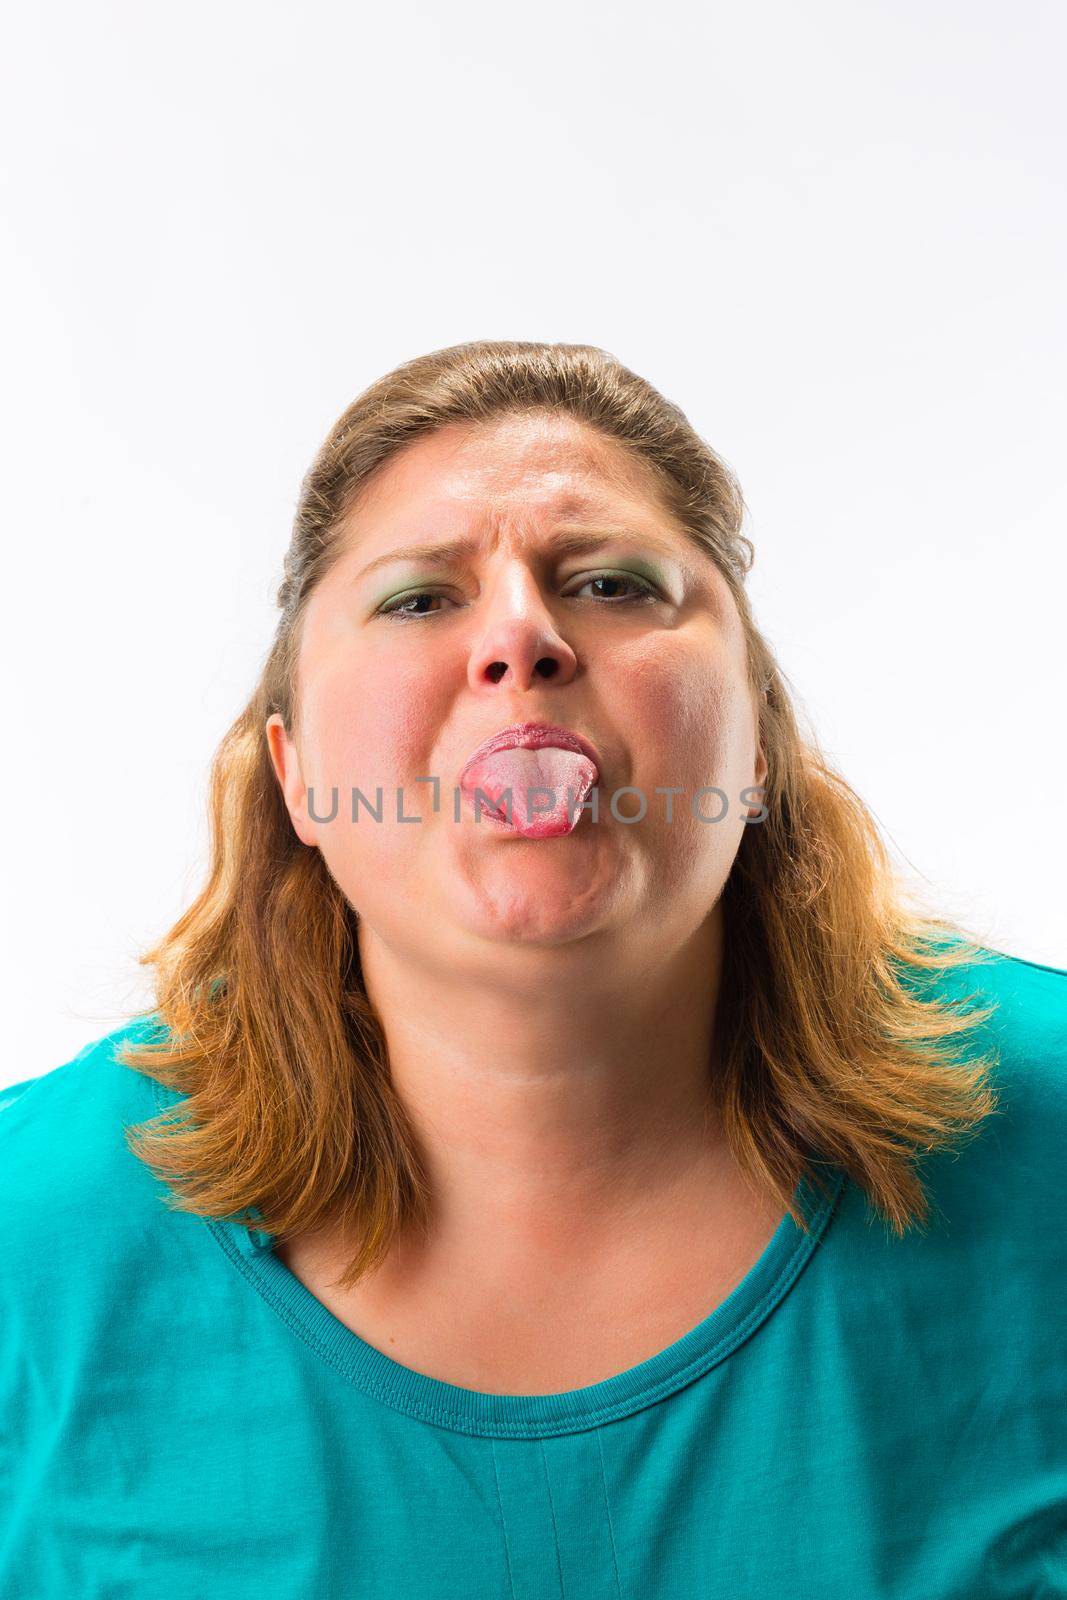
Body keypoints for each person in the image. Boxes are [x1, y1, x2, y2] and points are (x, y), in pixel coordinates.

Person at [1, 339, 1064, 1598]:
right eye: (416, 598)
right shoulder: (33, 1239)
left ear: (758, 745)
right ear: (294, 775)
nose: (520, 637)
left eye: (611, 583)